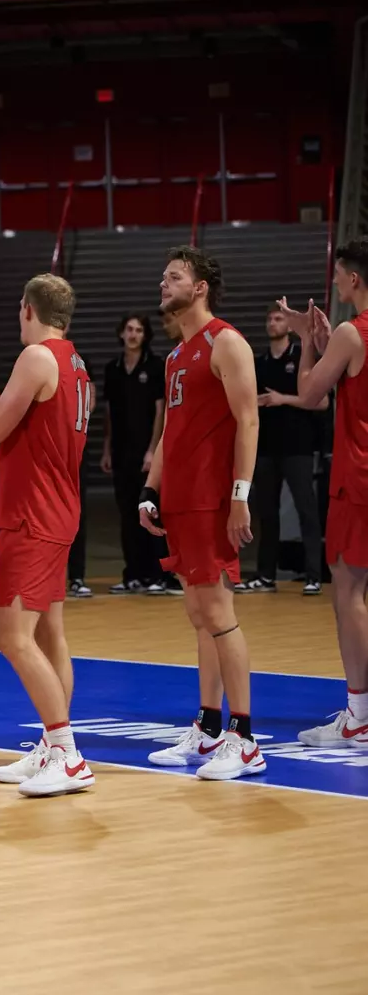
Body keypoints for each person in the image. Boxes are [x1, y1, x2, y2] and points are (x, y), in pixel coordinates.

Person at [0, 275, 96, 796]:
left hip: (32, 513)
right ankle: (55, 748)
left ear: (27, 308)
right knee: (49, 633)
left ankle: (67, 753)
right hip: (59, 509)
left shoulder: (36, 357)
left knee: (11, 636)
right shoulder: (77, 364)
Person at [139, 246, 264, 780]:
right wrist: (150, 490)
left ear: (201, 287)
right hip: (180, 502)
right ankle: (210, 726)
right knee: (200, 617)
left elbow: (249, 420)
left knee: (218, 613)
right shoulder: (174, 357)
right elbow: (170, 435)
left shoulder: (226, 342)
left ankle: (245, 737)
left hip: (215, 499)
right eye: (164, 276)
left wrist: (240, 495)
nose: (164, 283)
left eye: (174, 277)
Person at [290, 239, 368, 748]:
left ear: (355, 279)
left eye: (339, 276)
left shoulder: (350, 331)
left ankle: (359, 716)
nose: (336, 284)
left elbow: (309, 395)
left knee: (349, 593)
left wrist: (308, 341)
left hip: (358, 478)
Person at [239, 302, 324, 594]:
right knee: (267, 513)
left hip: (298, 447)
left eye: (279, 319)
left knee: (306, 511)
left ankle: (314, 575)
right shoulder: (259, 363)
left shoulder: (301, 357)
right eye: (270, 319)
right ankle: (266, 576)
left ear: (289, 326)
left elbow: (322, 401)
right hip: (266, 449)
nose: (273, 323)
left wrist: (283, 399)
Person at [101, 311, 170, 594]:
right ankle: (133, 574)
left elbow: (160, 410)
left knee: (151, 513)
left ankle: (160, 575)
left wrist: (153, 450)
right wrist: (106, 448)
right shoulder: (112, 368)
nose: (133, 335)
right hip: (121, 451)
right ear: (121, 333)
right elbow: (108, 411)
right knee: (127, 514)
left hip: (147, 454)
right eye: (129, 329)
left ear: (145, 335)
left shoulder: (155, 366)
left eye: (138, 330)